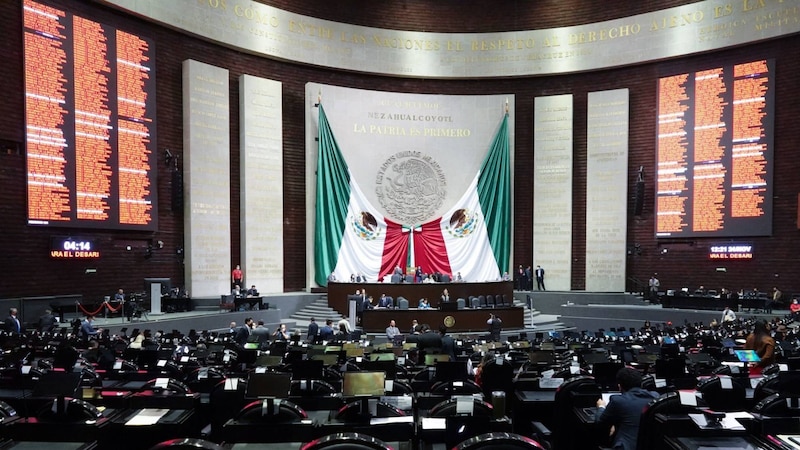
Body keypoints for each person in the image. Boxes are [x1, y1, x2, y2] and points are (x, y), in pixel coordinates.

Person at [594, 367, 659, 450]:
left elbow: (600, 424)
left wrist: (601, 406)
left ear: (620, 386)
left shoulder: (618, 401)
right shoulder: (656, 397)